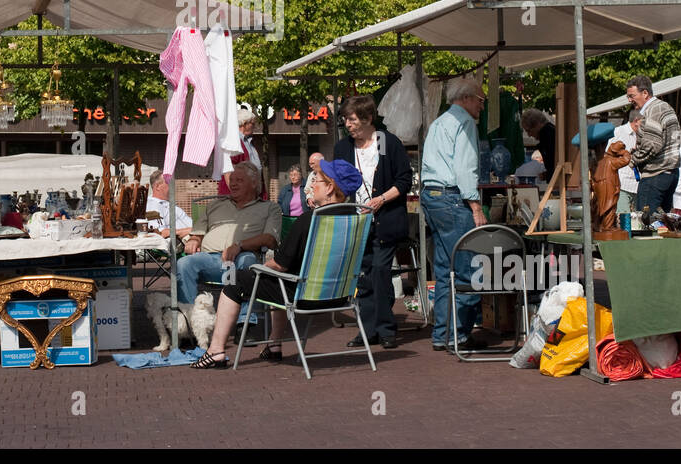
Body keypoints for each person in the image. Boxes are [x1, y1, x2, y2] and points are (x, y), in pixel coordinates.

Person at [192, 159, 366, 368]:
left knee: (236, 281)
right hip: (339, 297)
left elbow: (280, 265)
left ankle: (215, 351)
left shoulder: (308, 220)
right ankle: (274, 346)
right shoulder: (357, 220)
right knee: (284, 278)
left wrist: (255, 269)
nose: (310, 184)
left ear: (329, 188)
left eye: (316, 180)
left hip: (304, 297)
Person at [334, 94, 412, 350]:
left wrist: (380, 200)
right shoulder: (344, 148)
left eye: (352, 119)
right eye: (345, 119)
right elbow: (338, 184)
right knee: (363, 276)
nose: (348, 123)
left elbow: (403, 181)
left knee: (379, 271)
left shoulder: (387, 143)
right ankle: (367, 330)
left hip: (384, 219)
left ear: (368, 119)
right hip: (356, 222)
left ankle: (386, 328)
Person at [421, 76, 487, 352]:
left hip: (432, 196)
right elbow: (464, 168)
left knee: (444, 268)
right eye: (481, 101)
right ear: (467, 98)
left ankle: (443, 333)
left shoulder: (440, 122)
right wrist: (476, 205)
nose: (482, 108)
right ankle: (457, 333)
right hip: (451, 198)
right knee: (467, 267)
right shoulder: (464, 122)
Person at [176, 162, 280, 303]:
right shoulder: (214, 205)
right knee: (183, 263)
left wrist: (239, 246)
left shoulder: (269, 208)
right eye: (232, 180)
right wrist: (194, 239)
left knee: (247, 261)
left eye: (239, 180)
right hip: (210, 259)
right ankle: (188, 316)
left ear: (254, 184)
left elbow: (270, 239)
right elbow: (198, 233)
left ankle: (242, 321)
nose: (233, 184)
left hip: (241, 258)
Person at [626, 75, 681, 213]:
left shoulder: (653, 109)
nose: (629, 100)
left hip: (655, 175)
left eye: (632, 95)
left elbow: (652, 145)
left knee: (645, 225)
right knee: (662, 225)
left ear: (645, 93)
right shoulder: (664, 107)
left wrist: (632, 159)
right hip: (669, 174)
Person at [216, 109, 266, 199]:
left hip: (251, 194)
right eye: (252, 123)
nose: (254, 126)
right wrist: (237, 195)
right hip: (239, 198)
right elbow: (228, 170)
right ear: (244, 123)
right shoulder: (233, 142)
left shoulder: (249, 142)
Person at [146, 170, 192, 239]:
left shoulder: (169, 204)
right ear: (158, 186)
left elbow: (191, 224)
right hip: (180, 245)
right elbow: (160, 233)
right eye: (169, 183)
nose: (173, 186)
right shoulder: (152, 206)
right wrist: (191, 231)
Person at [613, 109, 642, 214]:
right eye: (643, 122)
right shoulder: (618, 132)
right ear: (636, 120)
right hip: (623, 183)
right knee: (624, 217)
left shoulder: (641, 135)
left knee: (638, 220)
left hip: (638, 184)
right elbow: (608, 154)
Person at [521, 109, 557, 178]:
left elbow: (552, 163)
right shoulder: (550, 132)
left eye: (529, 130)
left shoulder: (547, 136)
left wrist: (548, 175)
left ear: (537, 125)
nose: (529, 135)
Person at [277, 164, 307, 236]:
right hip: (288, 220)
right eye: (291, 175)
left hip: (303, 220)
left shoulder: (306, 187)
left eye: (295, 174)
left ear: (301, 175)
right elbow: (279, 203)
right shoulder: (285, 189)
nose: (293, 177)